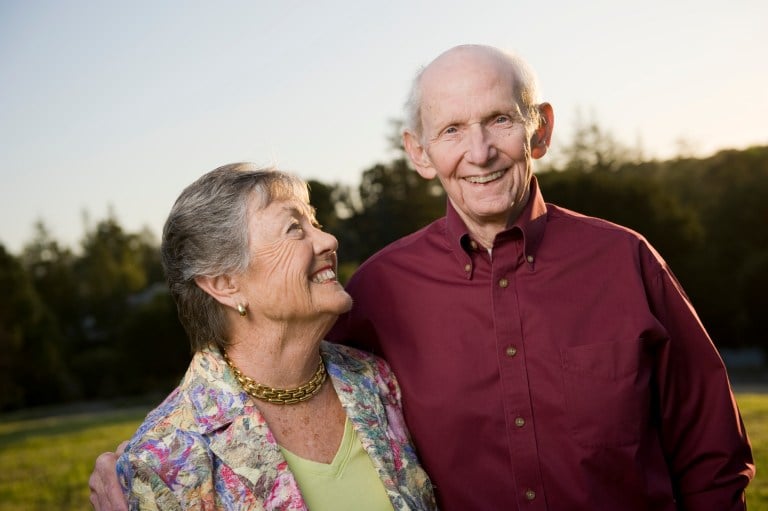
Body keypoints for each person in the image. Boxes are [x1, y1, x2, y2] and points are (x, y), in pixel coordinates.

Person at [91, 45, 754, 510]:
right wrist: (150, 465)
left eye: (499, 118)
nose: (479, 151)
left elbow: (712, 455)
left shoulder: (624, 260)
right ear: (419, 151)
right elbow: (258, 351)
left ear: (539, 129)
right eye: (452, 129)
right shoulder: (377, 293)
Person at [94, 163, 435, 510]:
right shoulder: (165, 458)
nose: (329, 240)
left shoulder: (374, 381)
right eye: (294, 229)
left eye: (313, 223)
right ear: (225, 284)